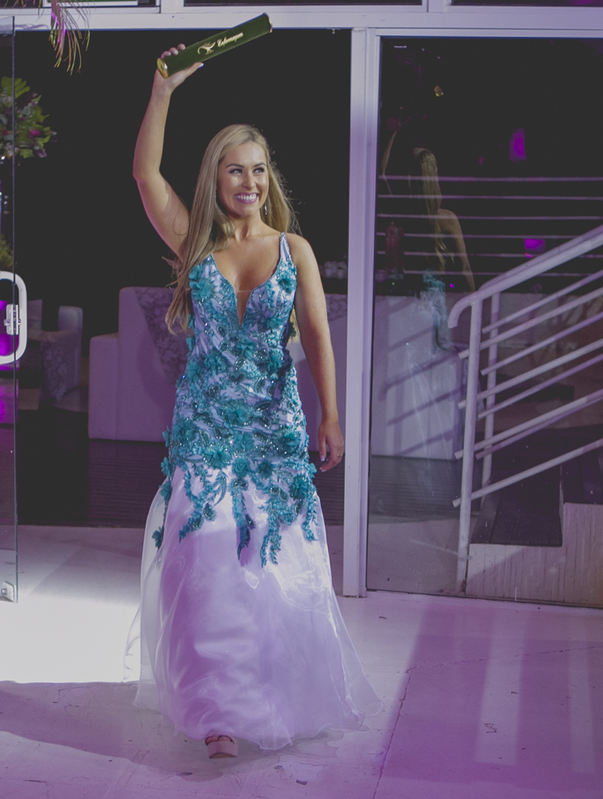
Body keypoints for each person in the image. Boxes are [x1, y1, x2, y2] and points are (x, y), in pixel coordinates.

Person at [128, 45, 381, 759]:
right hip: (205, 430)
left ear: (270, 181)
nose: (249, 180)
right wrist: (161, 91)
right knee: (203, 565)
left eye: (259, 169)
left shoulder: (294, 249)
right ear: (216, 177)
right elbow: (145, 174)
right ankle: (216, 712)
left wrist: (332, 416)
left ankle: (268, 697)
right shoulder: (193, 242)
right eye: (236, 169)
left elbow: (318, 335)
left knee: (273, 568)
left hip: (274, 432)